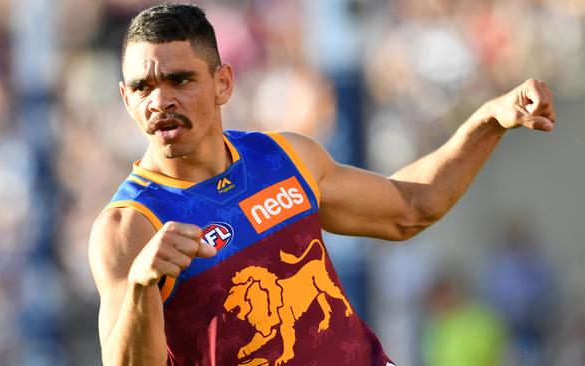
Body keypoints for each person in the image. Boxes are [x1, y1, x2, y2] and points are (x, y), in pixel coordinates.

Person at [88, 4, 556, 366]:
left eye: (180, 79)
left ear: (223, 83)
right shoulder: (129, 228)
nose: (161, 100)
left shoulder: (285, 157)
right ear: (126, 99)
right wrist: (141, 287)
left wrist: (487, 120)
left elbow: (411, 208)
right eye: (143, 88)